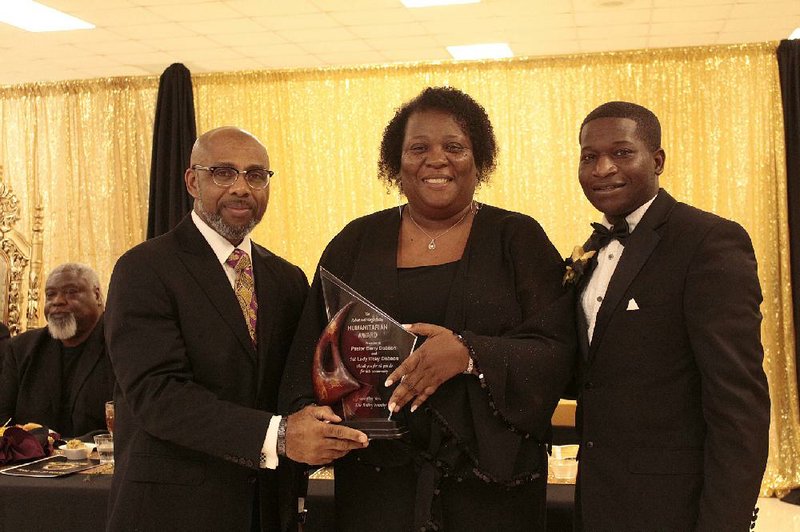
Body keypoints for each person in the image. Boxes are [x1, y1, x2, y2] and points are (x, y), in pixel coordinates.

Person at [280, 87, 575, 531]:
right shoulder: (354, 243)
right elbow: (312, 351)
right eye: (418, 148)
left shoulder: (517, 239)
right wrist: (308, 413)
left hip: (492, 488)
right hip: (377, 485)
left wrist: (468, 354)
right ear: (395, 164)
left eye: (454, 147)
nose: (436, 159)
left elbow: (558, 351)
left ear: (480, 160)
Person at [104, 126, 367, 531]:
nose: (242, 188)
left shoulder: (288, 279)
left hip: (265, 510)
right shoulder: (144, 270)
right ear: (193, 181)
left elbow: (301, 380)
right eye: (224, 173)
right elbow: (159, 397)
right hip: (172, 512)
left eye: (256, 175)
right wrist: (279, 436)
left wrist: (358, 409)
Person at [571, 101, 770, 530]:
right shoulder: (591, 250)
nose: (603, 168)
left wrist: (724, 523)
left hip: (674, 508)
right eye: (589, 156)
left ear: (657, 160)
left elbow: (739, 406)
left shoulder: (708, 241)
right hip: (599, 501)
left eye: (622, 153)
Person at [0, 263, 112, 437]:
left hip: (106, 458)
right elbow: (3, 420)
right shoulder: (22, 349)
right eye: (50, 294)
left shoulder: (121, 344)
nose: (57, 301)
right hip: (33, 458)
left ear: (97, 295)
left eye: (71, 292)